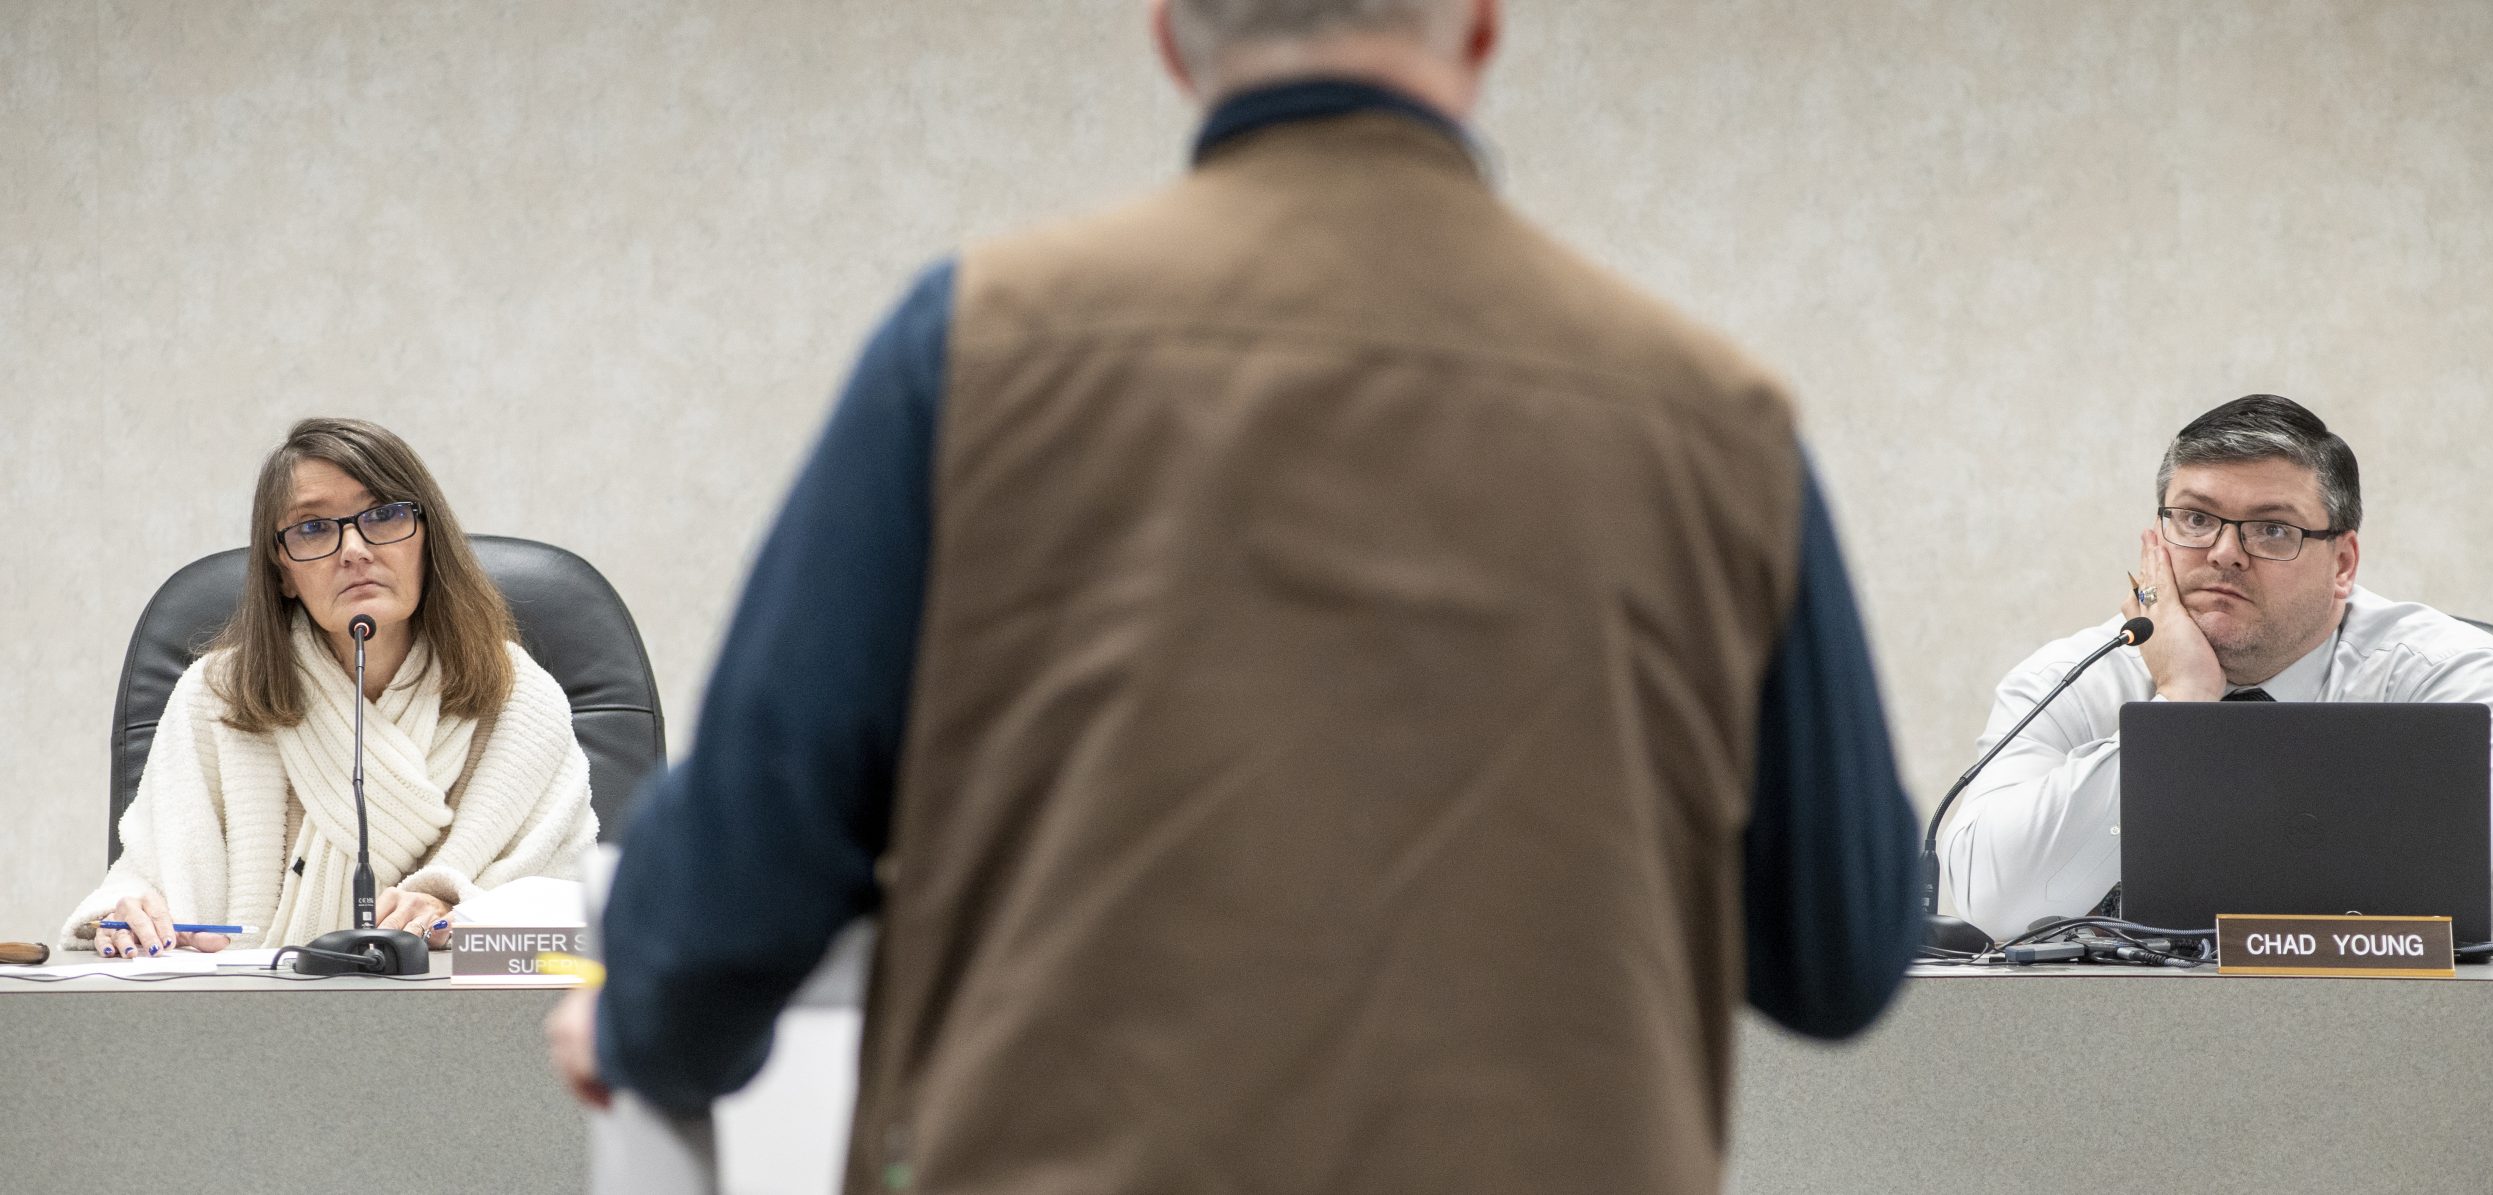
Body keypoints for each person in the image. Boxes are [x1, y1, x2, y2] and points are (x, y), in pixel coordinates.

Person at [549, 1, 1919, 1189]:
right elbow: (1846, 949)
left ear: (1171, 39)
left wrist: (642, 1021)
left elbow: (749, 847)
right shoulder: (1718, 423)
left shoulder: (968, 351)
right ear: (1484, 26)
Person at [1940, 394, 2493, 941]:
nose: (2224, 552)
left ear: (2343, 564)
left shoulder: (2445, 676)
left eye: (2273, 529)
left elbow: (2407, 905)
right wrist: (2182, 707)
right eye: (2196, 520)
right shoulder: (2066, 678)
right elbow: (1989, 903)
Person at [62, 418, 597, 959]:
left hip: (454, 1024)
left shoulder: (520, 698)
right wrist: (129, 915)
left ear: (427, 539)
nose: (354, 549)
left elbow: (570, 914)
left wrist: (459, 915)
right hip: (245, 1021)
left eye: (384, 515)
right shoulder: (216, 697)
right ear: (282, 572)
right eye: (313, 529)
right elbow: (151, 879)